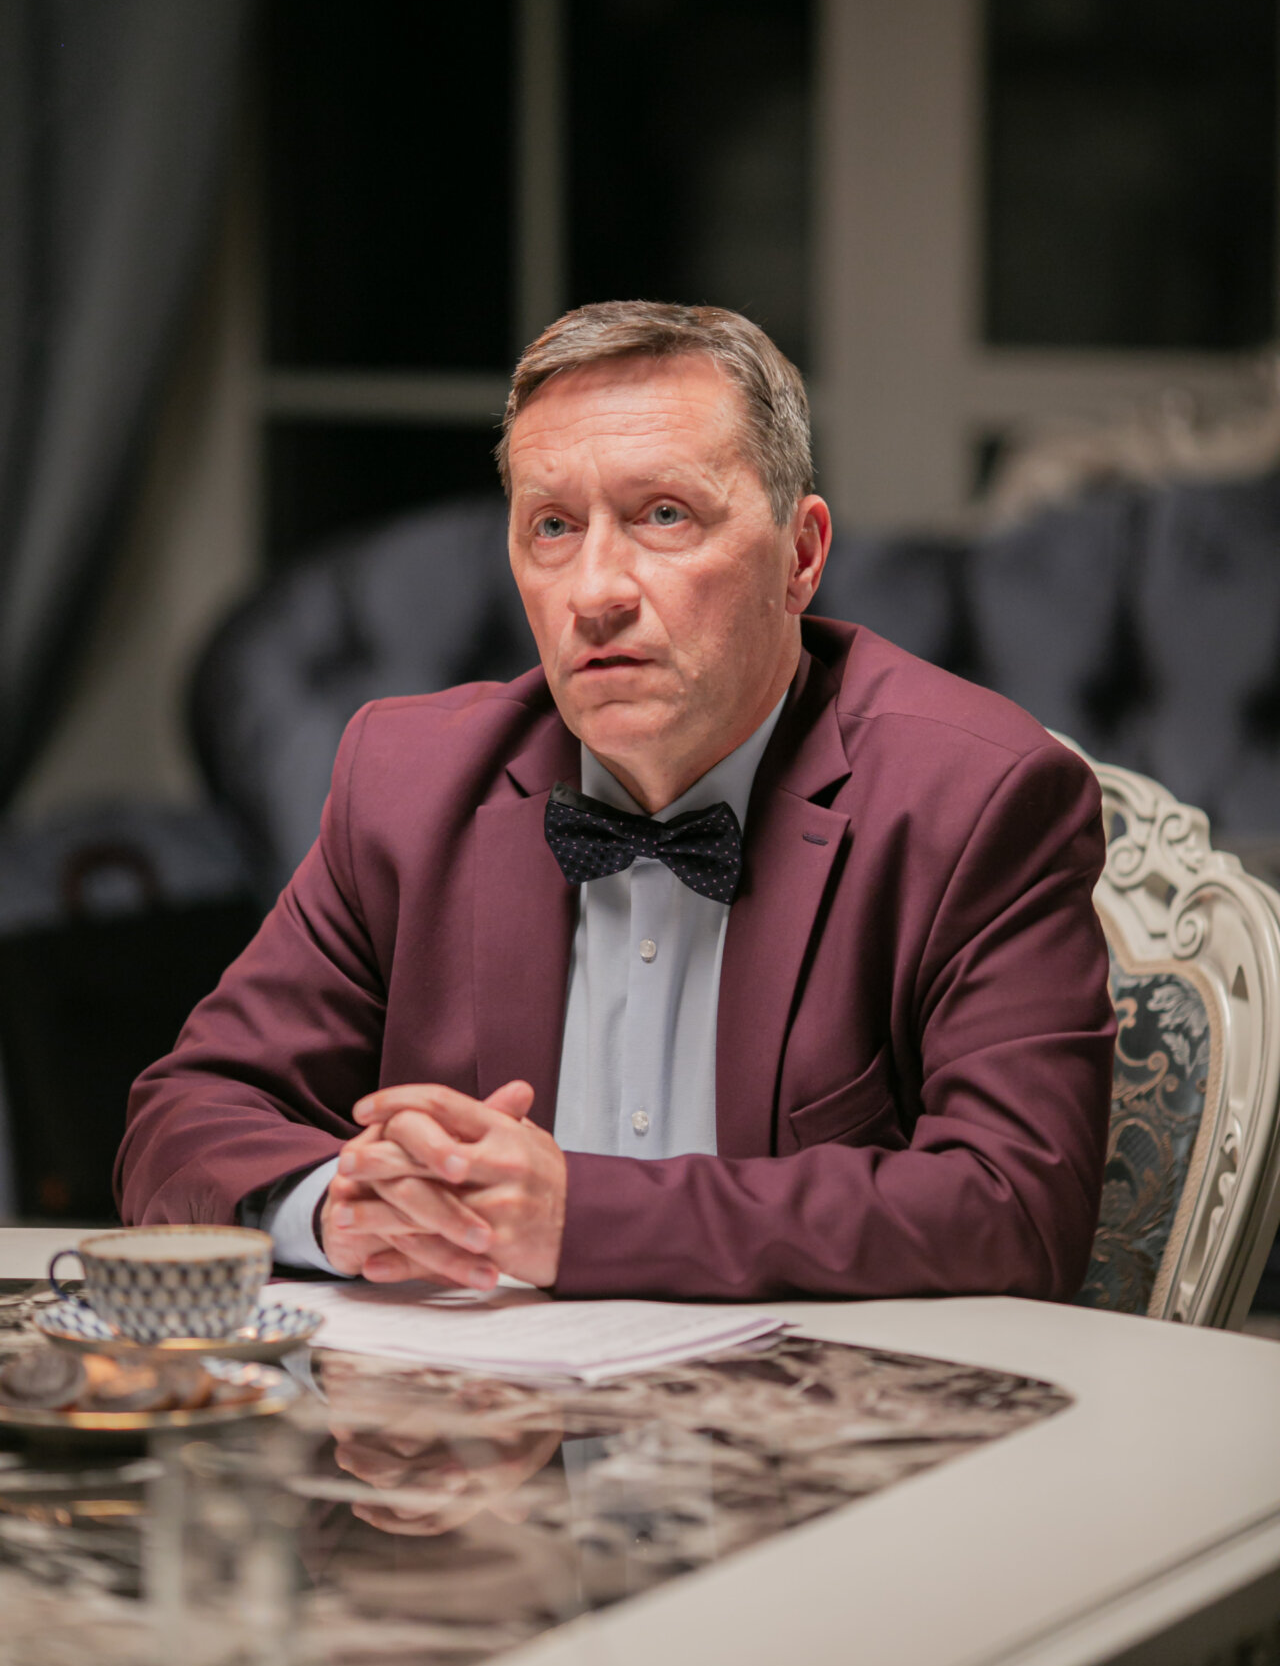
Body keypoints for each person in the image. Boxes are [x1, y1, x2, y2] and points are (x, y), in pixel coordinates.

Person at [117, 301, 1116, 1301]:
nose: (595, 592)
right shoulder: (407, 782)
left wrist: (580, 1219)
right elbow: (187, 1115)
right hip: (469, 1394)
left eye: (663, 515)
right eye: (553, 526)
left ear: (800, 556)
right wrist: (338, 1205)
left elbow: (1017, 1211)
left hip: (813, 1396)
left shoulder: (975, 800)